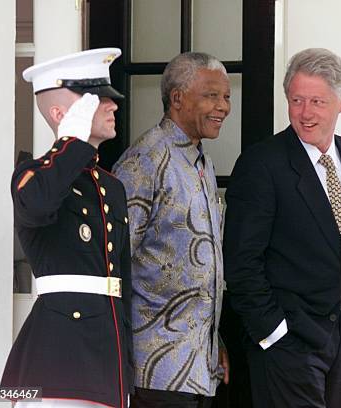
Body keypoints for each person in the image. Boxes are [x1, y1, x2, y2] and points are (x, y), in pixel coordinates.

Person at [223, 48, 341, 408]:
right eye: (297, 100)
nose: (305, 113)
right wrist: (273, 333)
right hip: (290, 343)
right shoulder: (262, 164)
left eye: (317, 101)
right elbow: (240, 261)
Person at [0, 48, 134, 408]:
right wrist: (70, 144)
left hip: (107, 360)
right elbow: (37, 206)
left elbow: (121, 281)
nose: (112, 106)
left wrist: (126, 368)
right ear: (62, 114)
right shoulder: (33, 176)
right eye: (97, 100)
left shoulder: (111, 187)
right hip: (58, 359)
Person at [113, 52, 230, 408]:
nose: (223, 107)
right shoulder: (144, 161)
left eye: (226, 97)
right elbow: (114, 264)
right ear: (177, 97)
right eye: (212, 95)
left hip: (199, 368)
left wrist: (215, 340)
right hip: (155, 370)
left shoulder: (201, 160)